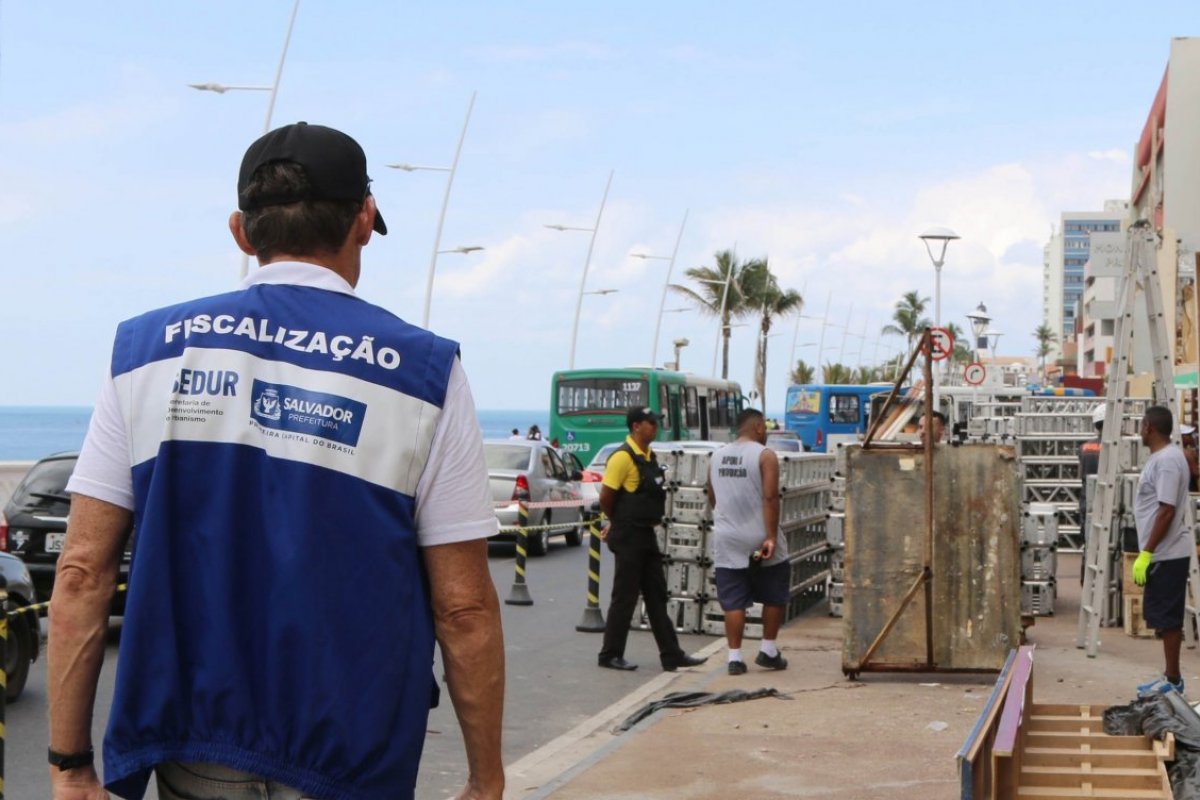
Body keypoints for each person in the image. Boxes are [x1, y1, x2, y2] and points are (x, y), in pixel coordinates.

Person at [47, 122, 505, 800]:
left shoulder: (147, 351)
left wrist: (69, 764)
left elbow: (82, 571)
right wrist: (485, 778)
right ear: (364, 219)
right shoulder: (423, 372)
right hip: (352, 758)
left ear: (241, 232)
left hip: (195, 747)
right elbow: (463, 606)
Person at [597, 406, 708, 672]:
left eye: (656, 423)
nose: (655, 427)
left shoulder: (649, 456)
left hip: (645, 534)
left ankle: (671, 654)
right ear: (636, 426)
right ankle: (610, 654)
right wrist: (617, 522)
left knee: (657, 595)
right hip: (629, 534)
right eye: (651, 423)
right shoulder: (622, 458)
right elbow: (606, 497)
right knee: (625, 597)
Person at [706, 409, 790, 675]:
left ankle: (734, 658)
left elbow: (712, 495)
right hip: (760, 536)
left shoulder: (716, 456)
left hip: (727, 538)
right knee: (774, 593)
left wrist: (727, 519)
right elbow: (770, 497)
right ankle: (768, 650)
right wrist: (771, 536)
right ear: (757, 427)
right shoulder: (765, 456)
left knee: (733, 600)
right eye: (765, 427)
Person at [1132, 405, 1193, 697]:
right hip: (1163, 552)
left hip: (1166, 553)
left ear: (1150, 428)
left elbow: (1166, 510)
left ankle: (1173, 680)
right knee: (1163, 617)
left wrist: (1146, 553)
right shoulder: (1164, 458)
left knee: (1168, 619)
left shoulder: (1167, 461)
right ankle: (1170, 675)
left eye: (1142, 425)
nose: (1140, 430)